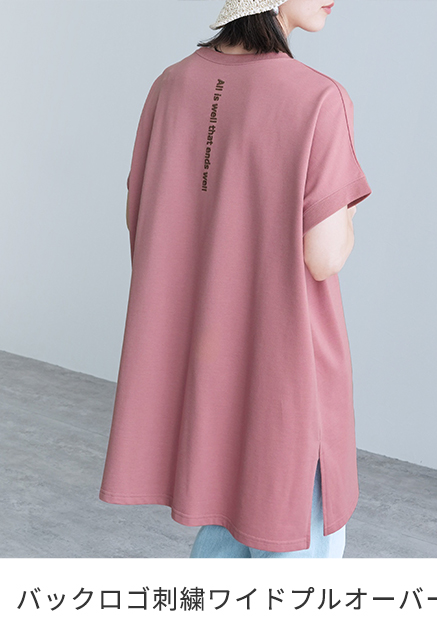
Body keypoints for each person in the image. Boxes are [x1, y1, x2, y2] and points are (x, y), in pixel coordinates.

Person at [99, 0, 372, 559]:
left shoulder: (169, 85)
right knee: (294, 549)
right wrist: (346, 209)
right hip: (287, 371)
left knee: (223, 535)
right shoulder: (320, 98)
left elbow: (142, 222)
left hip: (206, 366)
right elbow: (324, 257)